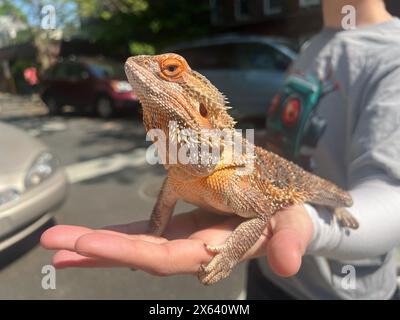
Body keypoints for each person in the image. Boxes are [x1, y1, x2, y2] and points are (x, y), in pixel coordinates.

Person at [41, 0, 400, 299]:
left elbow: (259, 217)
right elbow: (161, 213)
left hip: (340, 291)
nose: (144, 69)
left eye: (168, 70)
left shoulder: (390, 55)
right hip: (268, 280)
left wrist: (234, 252)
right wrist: (152, 238)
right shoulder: (313, 47)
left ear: (200, 109)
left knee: (340, 199)